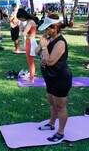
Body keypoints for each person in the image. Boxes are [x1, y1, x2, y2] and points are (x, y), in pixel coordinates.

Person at [35, 14, 72, 142]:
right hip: (50, 77)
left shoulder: (60, 42)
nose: (46, 31)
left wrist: (45, 47)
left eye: (48, 29)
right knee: (52, 102)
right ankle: (51, 124)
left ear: (55, 27)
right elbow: (36, 52)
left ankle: (60, 132)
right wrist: (41, 44)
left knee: (60, 106)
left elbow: (50, 61)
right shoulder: (48, 38)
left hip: (60, 78)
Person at [17, 8, 37, 83]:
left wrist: (21, 29)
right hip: (29, 42)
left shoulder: (30, 22)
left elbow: (24, 33)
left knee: (31, 61)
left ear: (23, 16)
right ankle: (31, 77)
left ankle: (31, 79)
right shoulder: (29, 21)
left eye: (20, 18)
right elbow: (24, 32)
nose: (21, 20)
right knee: (30, 61)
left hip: (31, 42)